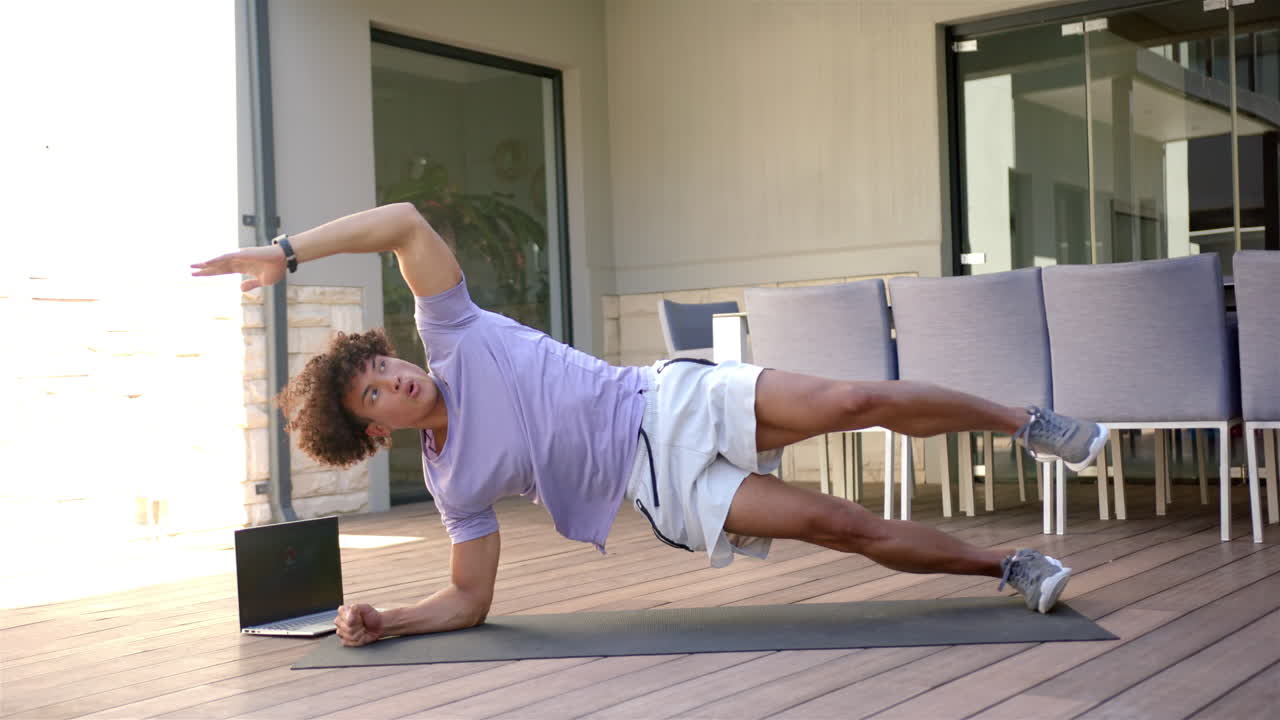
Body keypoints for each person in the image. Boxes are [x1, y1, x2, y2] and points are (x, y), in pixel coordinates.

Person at [192, 203, 1108, 647]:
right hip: (659, 487)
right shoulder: (453, 482)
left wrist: (285, 252)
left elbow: (401, 222)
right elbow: (470, 602)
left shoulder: (453, 331)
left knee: (851, 403)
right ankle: (1008, 568)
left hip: (664, 400)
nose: (391, 379)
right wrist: (386, 619)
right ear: (373, 433)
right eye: (372, 396)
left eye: (379, 366)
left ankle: (1023, 421)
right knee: (840, 525)